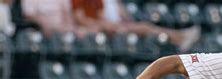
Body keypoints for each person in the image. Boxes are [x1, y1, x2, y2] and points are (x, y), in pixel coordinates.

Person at [71, 0, 200, 52]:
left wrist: (110, 23)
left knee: (145, 27)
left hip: (110, 27)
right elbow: (79, 18)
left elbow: (100, 14)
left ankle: (179, 37)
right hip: (95, 30)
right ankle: (179, 37)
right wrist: (102, 25)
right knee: (144, 27)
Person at [21, 0, 98, 38]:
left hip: (62, 29)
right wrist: (43, 24)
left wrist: (71, 28)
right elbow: (29, 15)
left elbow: (67, 14)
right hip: (41, 30)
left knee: (83, 33)